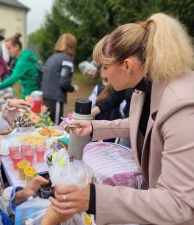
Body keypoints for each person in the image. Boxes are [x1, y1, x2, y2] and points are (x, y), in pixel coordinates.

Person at [48, 13, 194, 225]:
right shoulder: (144, 90)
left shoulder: (182, 107)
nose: (103, 75)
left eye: (106, 67)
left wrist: (94, 198)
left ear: (127, 66)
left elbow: (179, 203)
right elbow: (134, 124)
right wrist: (92, 127)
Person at [41, 33, 79, 124]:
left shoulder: (51, 58)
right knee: (56, 127)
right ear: (72, 46)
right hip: (55, 99)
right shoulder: (67, 59)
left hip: (44, 96)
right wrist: (73, 88)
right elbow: (64, 82)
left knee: (45, 125)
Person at [0, 33, 39, 99]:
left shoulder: (23, 60)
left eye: (9, 48)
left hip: (30, 94)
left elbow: (12, 79)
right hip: (31, 91)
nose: (7, 51)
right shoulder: (25, 55)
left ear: (16, 47)